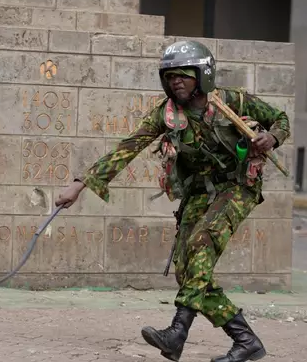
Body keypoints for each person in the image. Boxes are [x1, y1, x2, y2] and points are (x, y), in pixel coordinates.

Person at [56, 40, 290, 362]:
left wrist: (272, 137)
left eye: (183, 74)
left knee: (201, 243)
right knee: (188, 271)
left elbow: (280, 118)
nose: (175, 81)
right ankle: (246, 340)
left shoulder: (231, 100)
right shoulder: (165, 115)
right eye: (169, 76)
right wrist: (80, 184)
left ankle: (177, 332)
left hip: (236, 187)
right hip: (198, 192)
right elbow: (127, 147)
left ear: (202, 75)